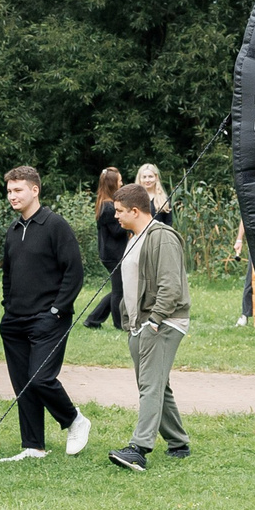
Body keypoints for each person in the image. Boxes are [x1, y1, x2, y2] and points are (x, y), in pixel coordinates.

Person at [0, 166, 90, 461]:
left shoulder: (55, 225)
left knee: (40, 378)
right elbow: (8, 275)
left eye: (18, 190)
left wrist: (56, 310)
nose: (12, 195)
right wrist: (7, 308)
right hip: (15, 321)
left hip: (49, 318)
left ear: (35, 190)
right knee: (24, 384)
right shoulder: (13, 231)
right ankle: (33, 445)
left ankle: (74, 420)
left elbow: (74, 272)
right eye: (9, 190)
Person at [106, 183, 191, 471]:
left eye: (119, 211)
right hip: (139, 324)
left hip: (163, 322)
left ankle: (138, 448)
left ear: (134, 210)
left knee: (150, 385)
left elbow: (171, 285)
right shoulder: (133, 237)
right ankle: (178, 442)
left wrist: (154, 321)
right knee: (157, 385)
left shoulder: (162, 237)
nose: (115, 216)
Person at [83, 168, 126, 329]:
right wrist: (130, 224)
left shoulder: (105, 203)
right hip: (113, 254)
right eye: (119, 180)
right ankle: (118, 324)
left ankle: (93, 319)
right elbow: (116, 232)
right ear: (112, 183)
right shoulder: (108, 207)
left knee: (120, 288)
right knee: (119, 291)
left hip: (111, 253)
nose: (122, 183)